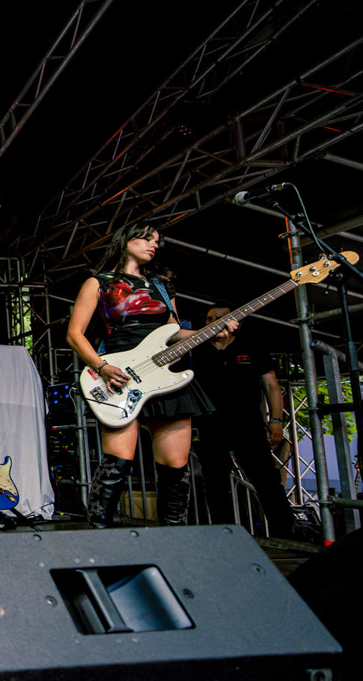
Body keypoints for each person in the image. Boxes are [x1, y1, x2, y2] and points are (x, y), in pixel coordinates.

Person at [65, 222, 235, 528]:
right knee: (117, 463)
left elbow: (174, 332)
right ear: (125, 241)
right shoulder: (98, 283)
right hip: (118, 375)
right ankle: (98, 536)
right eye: (146, 238)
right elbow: (75, 335)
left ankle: (174, 540)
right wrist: (102, 367)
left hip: (164, 375)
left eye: (157, 241)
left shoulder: (162, 285)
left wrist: (211, 332)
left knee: (175, 465)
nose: (154, 245)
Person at [192, 306, 295, 537]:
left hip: (248, 425)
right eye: (209, 319)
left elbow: (271, 385)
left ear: (233, 321)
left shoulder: (252, 346)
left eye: (220, 318)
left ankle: (286, 535)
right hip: (209, 426)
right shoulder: (196, 350)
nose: (214, 323)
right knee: (215, 483)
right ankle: (225, 536)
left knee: (266, 480)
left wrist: (276, 420)